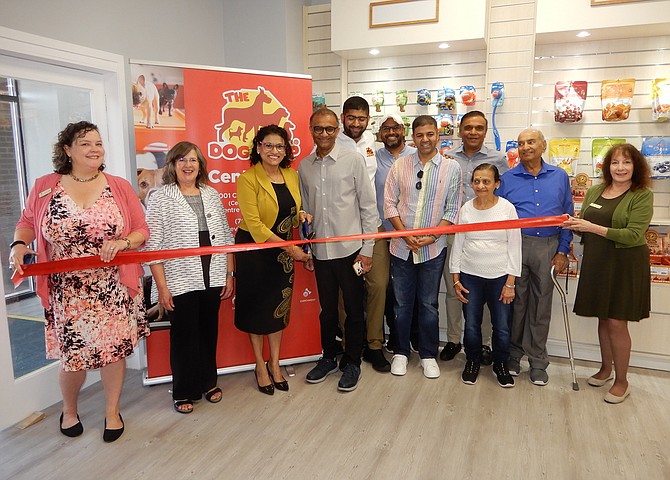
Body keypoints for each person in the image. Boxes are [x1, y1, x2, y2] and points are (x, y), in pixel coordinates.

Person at [9, 121, 149, 442]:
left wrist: (125, 242)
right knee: (73, 359)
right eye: (85, 143)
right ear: (68, 150)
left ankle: (112, 411)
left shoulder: (119, 186)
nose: (95, 148)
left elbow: (142, 229)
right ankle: (69, 410)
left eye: (99, 143)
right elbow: (27, 222)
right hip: (67, 291)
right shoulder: (46, 185)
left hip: (112, 287)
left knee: (113, 353)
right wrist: (19, 244)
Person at [145, 141, 234, 414]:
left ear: (200, 165)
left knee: (208, 332)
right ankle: (184, 389)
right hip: (178, 278)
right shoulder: (160, 197)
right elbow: (153, 246)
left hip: (213, 273)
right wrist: (162, 288)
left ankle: (208, 382)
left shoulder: (211, 194)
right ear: (172, 164)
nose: (188, 165)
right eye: (181, 159)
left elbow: (227, 238)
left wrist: (229, 274)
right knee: (184, 336)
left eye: (193, 160)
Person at [563, 144, 652, 404]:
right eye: (615, 163)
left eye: (626, 163)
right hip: (598, 261)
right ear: (607, 166)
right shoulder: (595, 190)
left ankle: (622, 381)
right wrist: (575, 225)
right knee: (603, 318)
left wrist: (592, 226)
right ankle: (605, 368)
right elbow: (587, 226)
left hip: (626, 263)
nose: (620, 168)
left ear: (636, 166)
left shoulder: (641, 195)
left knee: (616, 322)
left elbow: (635, 235)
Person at [299, 108, 379, 392]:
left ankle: (353, 361)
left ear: (337, 130)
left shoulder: (353, 160)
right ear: (310, 129)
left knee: (355, 310)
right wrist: (307, 247)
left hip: (350, 250)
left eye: (330, 129)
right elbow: (305, 211)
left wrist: (367, 249)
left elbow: (369, 208)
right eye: (318, 129)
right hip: (321, 252)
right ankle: (328, 357)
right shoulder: (304, 166)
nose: (324, 134)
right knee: (327, 311)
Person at [235, 124, 311, 395]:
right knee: (256, 311)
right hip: (255, 253)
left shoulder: (292, 175)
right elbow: (255, 226)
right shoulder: (247, 179)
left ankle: (275, 364)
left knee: (278, 310)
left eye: (280, 146)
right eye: (268, 145)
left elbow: (297, 207)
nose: (274, 151)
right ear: (258, 148)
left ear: (286, 150)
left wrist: (302, 216)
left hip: (282, 257)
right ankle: (259, 365)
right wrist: (292, 250)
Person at [384, 115, 461, 379]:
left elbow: (452, 208)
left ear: (437, 135)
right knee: (401, 304)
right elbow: (389, 204)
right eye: (419, 135)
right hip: (401, 247)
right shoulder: (400, 166)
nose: (425, 139)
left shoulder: (452, 168)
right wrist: (404, 234)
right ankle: (401, 352)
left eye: (430, 134)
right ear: (412, 137)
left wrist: (432, 236)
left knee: (428, 304)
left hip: (433, 248)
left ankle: (428, 354)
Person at [497, 128, 573, 386]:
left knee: (541, 307)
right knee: (516, 305)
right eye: (521, 143)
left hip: (548, 247)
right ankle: (513, 356)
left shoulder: (560, 176)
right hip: (517, 245)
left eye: (531, 142)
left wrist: (563, 250)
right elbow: (500, 218)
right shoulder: (507, 179)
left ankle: (538, 362)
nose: (525, 147)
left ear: (543, 146)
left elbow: (568, 215)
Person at [440, 111, 510, 365]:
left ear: (485, 131)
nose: (472, 132)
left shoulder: (498, 159)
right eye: (468, 127)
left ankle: (484, 344)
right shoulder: (447, 158)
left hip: (489, 238)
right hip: (456, 231)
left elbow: (505, 196)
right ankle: (453, 338)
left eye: (479, 128)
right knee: (453, 289)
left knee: (487, 294)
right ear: (460, 130)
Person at [449, 164, 521, 387]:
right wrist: (456, 279)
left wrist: (510, 283)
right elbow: (458, 244)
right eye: (476, 181)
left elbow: (515, 246)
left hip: (500, 277)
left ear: (496, 184)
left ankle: (500, 364)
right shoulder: (466, 210)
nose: (480, 185)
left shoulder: (507, 209)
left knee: (501, 326)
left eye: (486, 181)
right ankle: (472, 361)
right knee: (471, 324)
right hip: (470, 276)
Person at [336, 95, 391, 372]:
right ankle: (350, 346)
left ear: (368, 120)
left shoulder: (374, 144)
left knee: (378, 284)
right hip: (344, 227)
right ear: (342, 117)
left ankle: (375, 345)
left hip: (373, 224)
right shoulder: (331, 142)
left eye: (361, 119)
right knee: (348, 290)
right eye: (351, 118)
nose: (356, 123)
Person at [374, 113, 417, 354]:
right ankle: (394, 333)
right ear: (380, 132)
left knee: (412, 286)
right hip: (383, 231)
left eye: (395, 128)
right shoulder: (373, 157)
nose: (391, 132)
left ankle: (413, 334)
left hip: (411, 233)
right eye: (385, 128)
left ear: (403, 130)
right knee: (388, 287)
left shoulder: (416, 154)